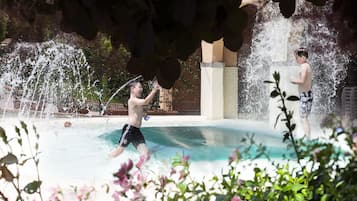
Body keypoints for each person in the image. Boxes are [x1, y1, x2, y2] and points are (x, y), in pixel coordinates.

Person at [110, 80, 161, 159]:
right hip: (129, 129)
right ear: (132, 89)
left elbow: (138, 111)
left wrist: (144, 114)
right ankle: (104, 161)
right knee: (119, 151)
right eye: (139, 87)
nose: (141, 89)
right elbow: (145, 101)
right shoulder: (132, 100)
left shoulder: (137, 101)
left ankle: (141, 168)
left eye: (141, 87)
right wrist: (154, 91)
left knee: (145, 154)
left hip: (136, 130)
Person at [290, 47, 313, 139]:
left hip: (305, 95)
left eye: (297, 58)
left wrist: (293, 80)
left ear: (303, 57)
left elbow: (302, 80)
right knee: (304, 118)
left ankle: (308, 138)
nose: (296, 60)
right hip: (308, 94)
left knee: (303, 118)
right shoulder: (307, 66)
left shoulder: (304, 66)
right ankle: (307, 137)